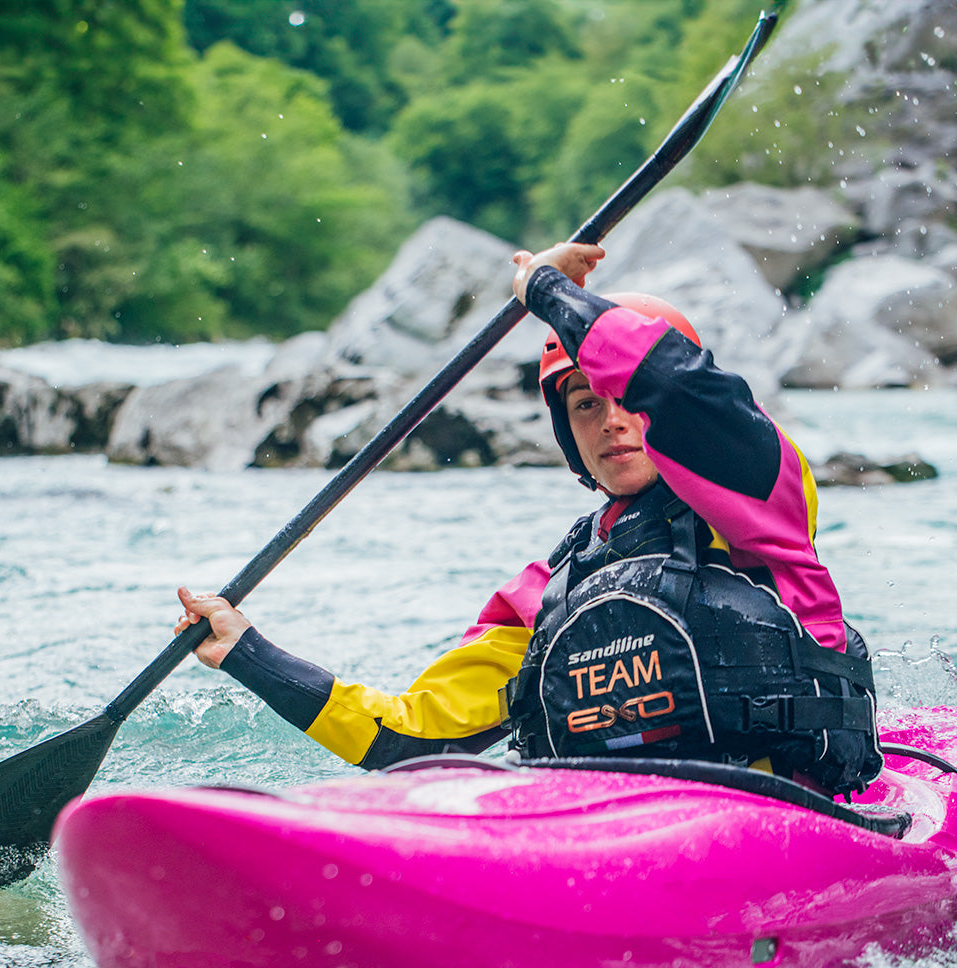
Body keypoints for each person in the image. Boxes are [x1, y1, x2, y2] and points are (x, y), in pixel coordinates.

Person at [176, 242, 882, 798]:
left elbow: (674, 381)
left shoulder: (760, 488)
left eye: (623, 399)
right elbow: (409, 736)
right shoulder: (551, 592)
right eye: (583, 405)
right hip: (616, 821)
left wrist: (547, 291)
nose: (612, 422)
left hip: (788, 807)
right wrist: (247, 653)